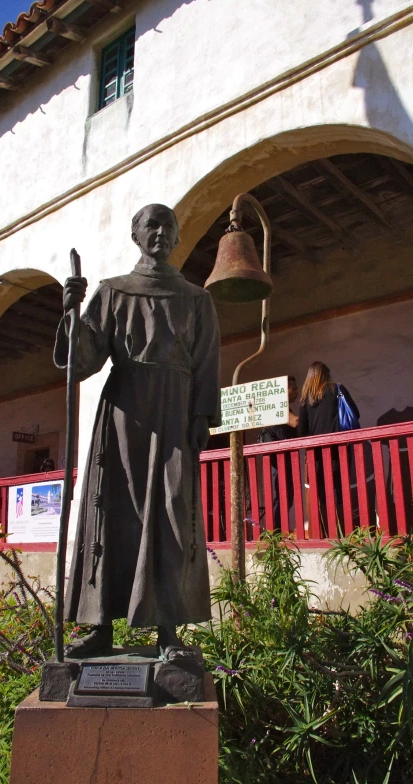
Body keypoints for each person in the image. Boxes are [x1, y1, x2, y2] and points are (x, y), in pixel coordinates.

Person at [54, 204, 221, 659]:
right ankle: (99, 625)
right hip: (124, 411)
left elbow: (206, 364)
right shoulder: (112, 293)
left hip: (175, 412)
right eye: (152, 225)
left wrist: (202, 417)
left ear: (177, 236)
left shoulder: (196, 299)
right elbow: (84, 359)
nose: (161, 233)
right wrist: (71, 315)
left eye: (169, 226)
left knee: (171, 509)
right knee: (112, 505)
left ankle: (169, 630)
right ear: (136, 234)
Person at [298, 362, 359, 522]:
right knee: (341, 488)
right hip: (339, 450)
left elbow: (302, 430)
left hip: (316, 454)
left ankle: (329, 530)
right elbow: (355, 414)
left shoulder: (305, 398)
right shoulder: (336, 389)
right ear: (326, 374)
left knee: (323, 492)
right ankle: (344, 530)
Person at [258, 376, 298, 530]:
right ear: (283, 391)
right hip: (278, 459)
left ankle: (277, 530)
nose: (296, 392)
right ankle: (275, 532)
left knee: (285, 496)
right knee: (282, 496)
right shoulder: (277, 407)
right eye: (293, 389)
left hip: (283, 458)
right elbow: (295, 422)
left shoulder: (284, 409)